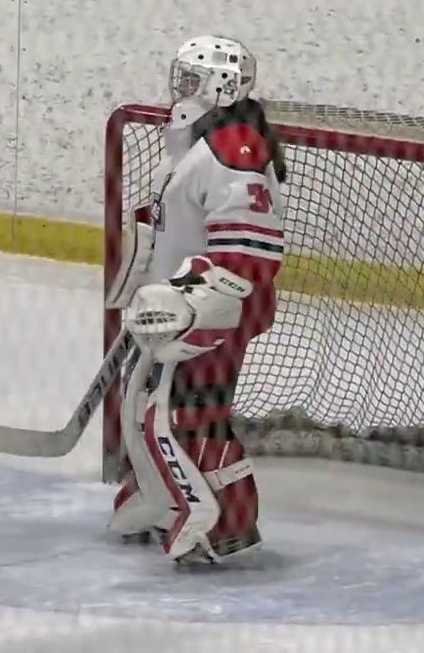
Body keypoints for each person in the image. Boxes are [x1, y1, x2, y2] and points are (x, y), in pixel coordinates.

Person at [104, 35, 287, 565]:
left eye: (191, 79)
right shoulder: (194, 147)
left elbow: (248, 251)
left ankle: (229, 519)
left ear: (221, 86)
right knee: (147, 406)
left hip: (213, 308)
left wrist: (202, 305)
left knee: (193, 414)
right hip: (176, 306)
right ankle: (164, 499)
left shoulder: (235, 147)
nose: (180, 89)